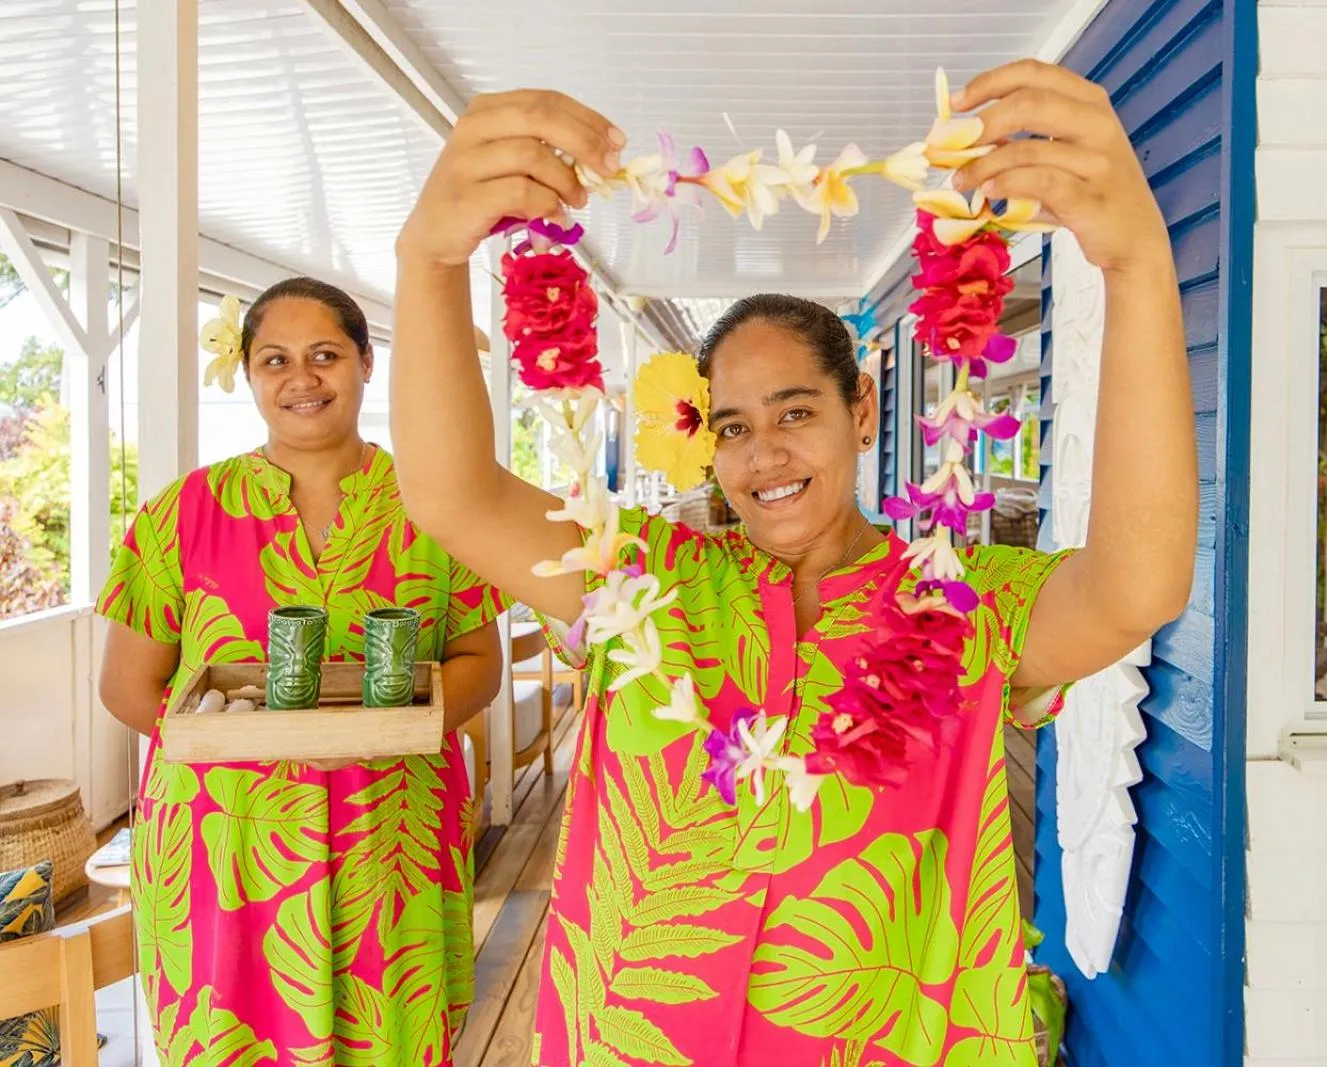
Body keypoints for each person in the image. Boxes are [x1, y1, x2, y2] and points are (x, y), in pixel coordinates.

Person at [390, 58, 1197, 1067]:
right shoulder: (640, 578)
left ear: (862, 412)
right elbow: (450, 492)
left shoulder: (958, 601)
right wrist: (427, 260)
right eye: (732, 426)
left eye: (795, 412)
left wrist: (1135, 267)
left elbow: (1137, 582)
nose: (762, 452)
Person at [96, 277, 506, 1065]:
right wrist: (243, 741)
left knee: (390, 1036)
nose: (302, 378)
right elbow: (127, 686)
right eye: (275, 359)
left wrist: (391, 729)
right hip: (226, 845)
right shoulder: (183, 511)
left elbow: (479, 659)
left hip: (391, 830)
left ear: (364, 363)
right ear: (249, 374)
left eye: (325, 355)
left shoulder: (434, 503)